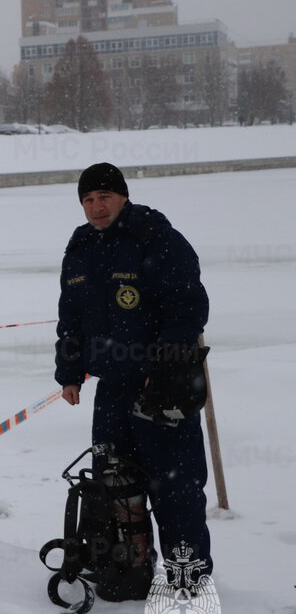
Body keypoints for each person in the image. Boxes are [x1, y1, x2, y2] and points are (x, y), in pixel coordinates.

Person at [55, 162, 212, 592]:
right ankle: (129, 568)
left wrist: (163, 369)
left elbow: (187, 309)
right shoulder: (82, 246)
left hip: (161, 388)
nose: (96, 207)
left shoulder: (155, 237)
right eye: (87, 200)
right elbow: (71, 316)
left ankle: (188, 577)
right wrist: (69, 371)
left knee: (174, 489)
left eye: (104, 196)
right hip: (112, 389)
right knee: (115, 484)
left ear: (123, 196)